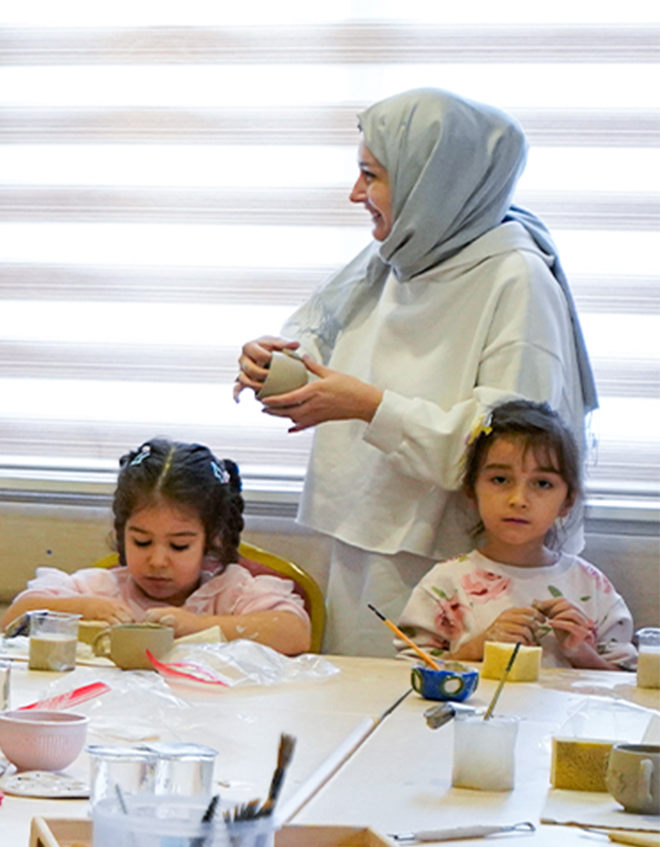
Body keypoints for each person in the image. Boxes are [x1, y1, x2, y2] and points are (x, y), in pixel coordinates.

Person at [234, 87, 597, 656]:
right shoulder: (399, 253)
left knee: (434, 702)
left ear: (432, 180)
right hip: (367, 534)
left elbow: (516, 443)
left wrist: (367, 405)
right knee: (359, 700)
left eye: (371, 175)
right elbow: (317, 335)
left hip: (456, 565)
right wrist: (270, 360)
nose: (355, 193)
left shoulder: (515, 278)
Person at [4, 439, 312, 656]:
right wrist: (82, 609)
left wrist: (199, 626)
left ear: (211, 539)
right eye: (142, 542)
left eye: (179, 546)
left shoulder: (230, 592)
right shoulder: (101, 588)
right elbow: (14, 620)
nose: (157, 560)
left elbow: (295, 633)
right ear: (122, 532)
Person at [397, 401, 634, 670]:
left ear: (567, 501)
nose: (518, 500)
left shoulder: (591, 586)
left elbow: (626, 685)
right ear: (472, 490)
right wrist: (475, 649)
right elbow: (406, 677)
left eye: (542, 483)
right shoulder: (444, 585)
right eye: (500, 479)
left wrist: (581, 653)